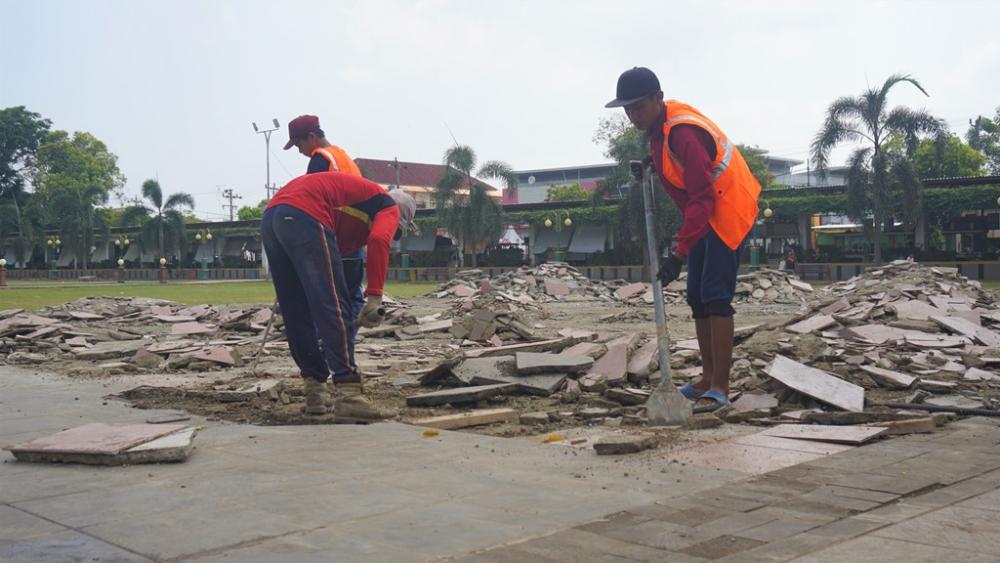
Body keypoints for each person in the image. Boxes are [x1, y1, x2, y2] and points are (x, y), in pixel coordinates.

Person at [607, 67, 762, 410]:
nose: (633, 115)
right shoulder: (659, 128)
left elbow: (702, 196)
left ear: (658, 98)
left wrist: (678, 254)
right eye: (628, 109)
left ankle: (719, 388)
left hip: (726, 209)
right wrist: (651, 162)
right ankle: (706, 378)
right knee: (696, 296)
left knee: (716, 296)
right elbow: (675, 164)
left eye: (638, 107)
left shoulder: (683, 133)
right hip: (707, 212)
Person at [261, 171, 420, 420]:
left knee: (296, 312)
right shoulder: (387, 205)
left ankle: (315, 391)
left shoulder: (349, 213)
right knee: (334, 306)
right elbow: (379, 240)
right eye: (396, 231)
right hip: (304, 211)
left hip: (273, 216)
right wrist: (374, 298)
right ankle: (349, 395)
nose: (392, 234)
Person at [284, 114, 367, 342]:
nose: (299, 151)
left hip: (333, 238)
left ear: (311, 137)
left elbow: (309, 202)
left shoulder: (320, 159)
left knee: (327, 297)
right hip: (355, 238)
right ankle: (346, 344)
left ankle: (331, 346)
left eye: (299, 144)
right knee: (353, 295)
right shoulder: (344, 157)